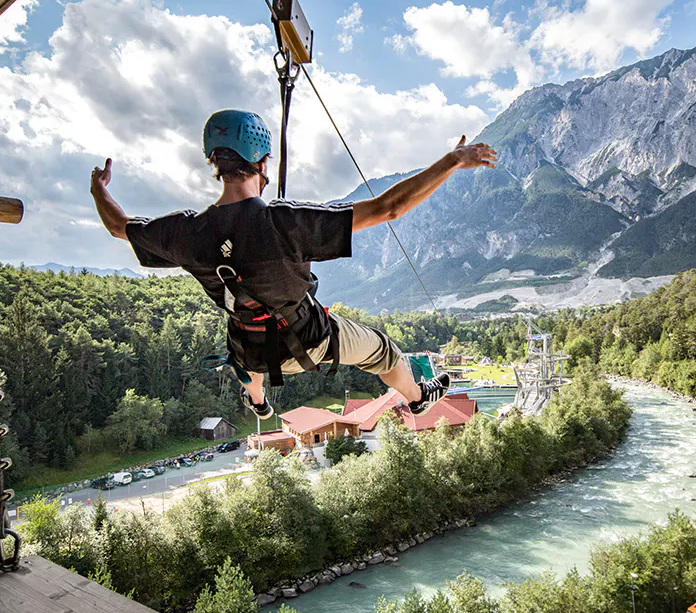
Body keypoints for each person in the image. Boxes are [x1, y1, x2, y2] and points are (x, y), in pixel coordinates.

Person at [89, 108, 497, 420]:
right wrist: (452, 160)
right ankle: (418, 397)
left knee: (244, 327)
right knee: (385, 352)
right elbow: (389, 207)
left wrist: (98, 188)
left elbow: (118, 227)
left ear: (215, 162)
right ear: (262, 163)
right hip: (311, 340)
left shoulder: (186, 233)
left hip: (249, 349)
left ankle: (258, 401)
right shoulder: (284, 223)